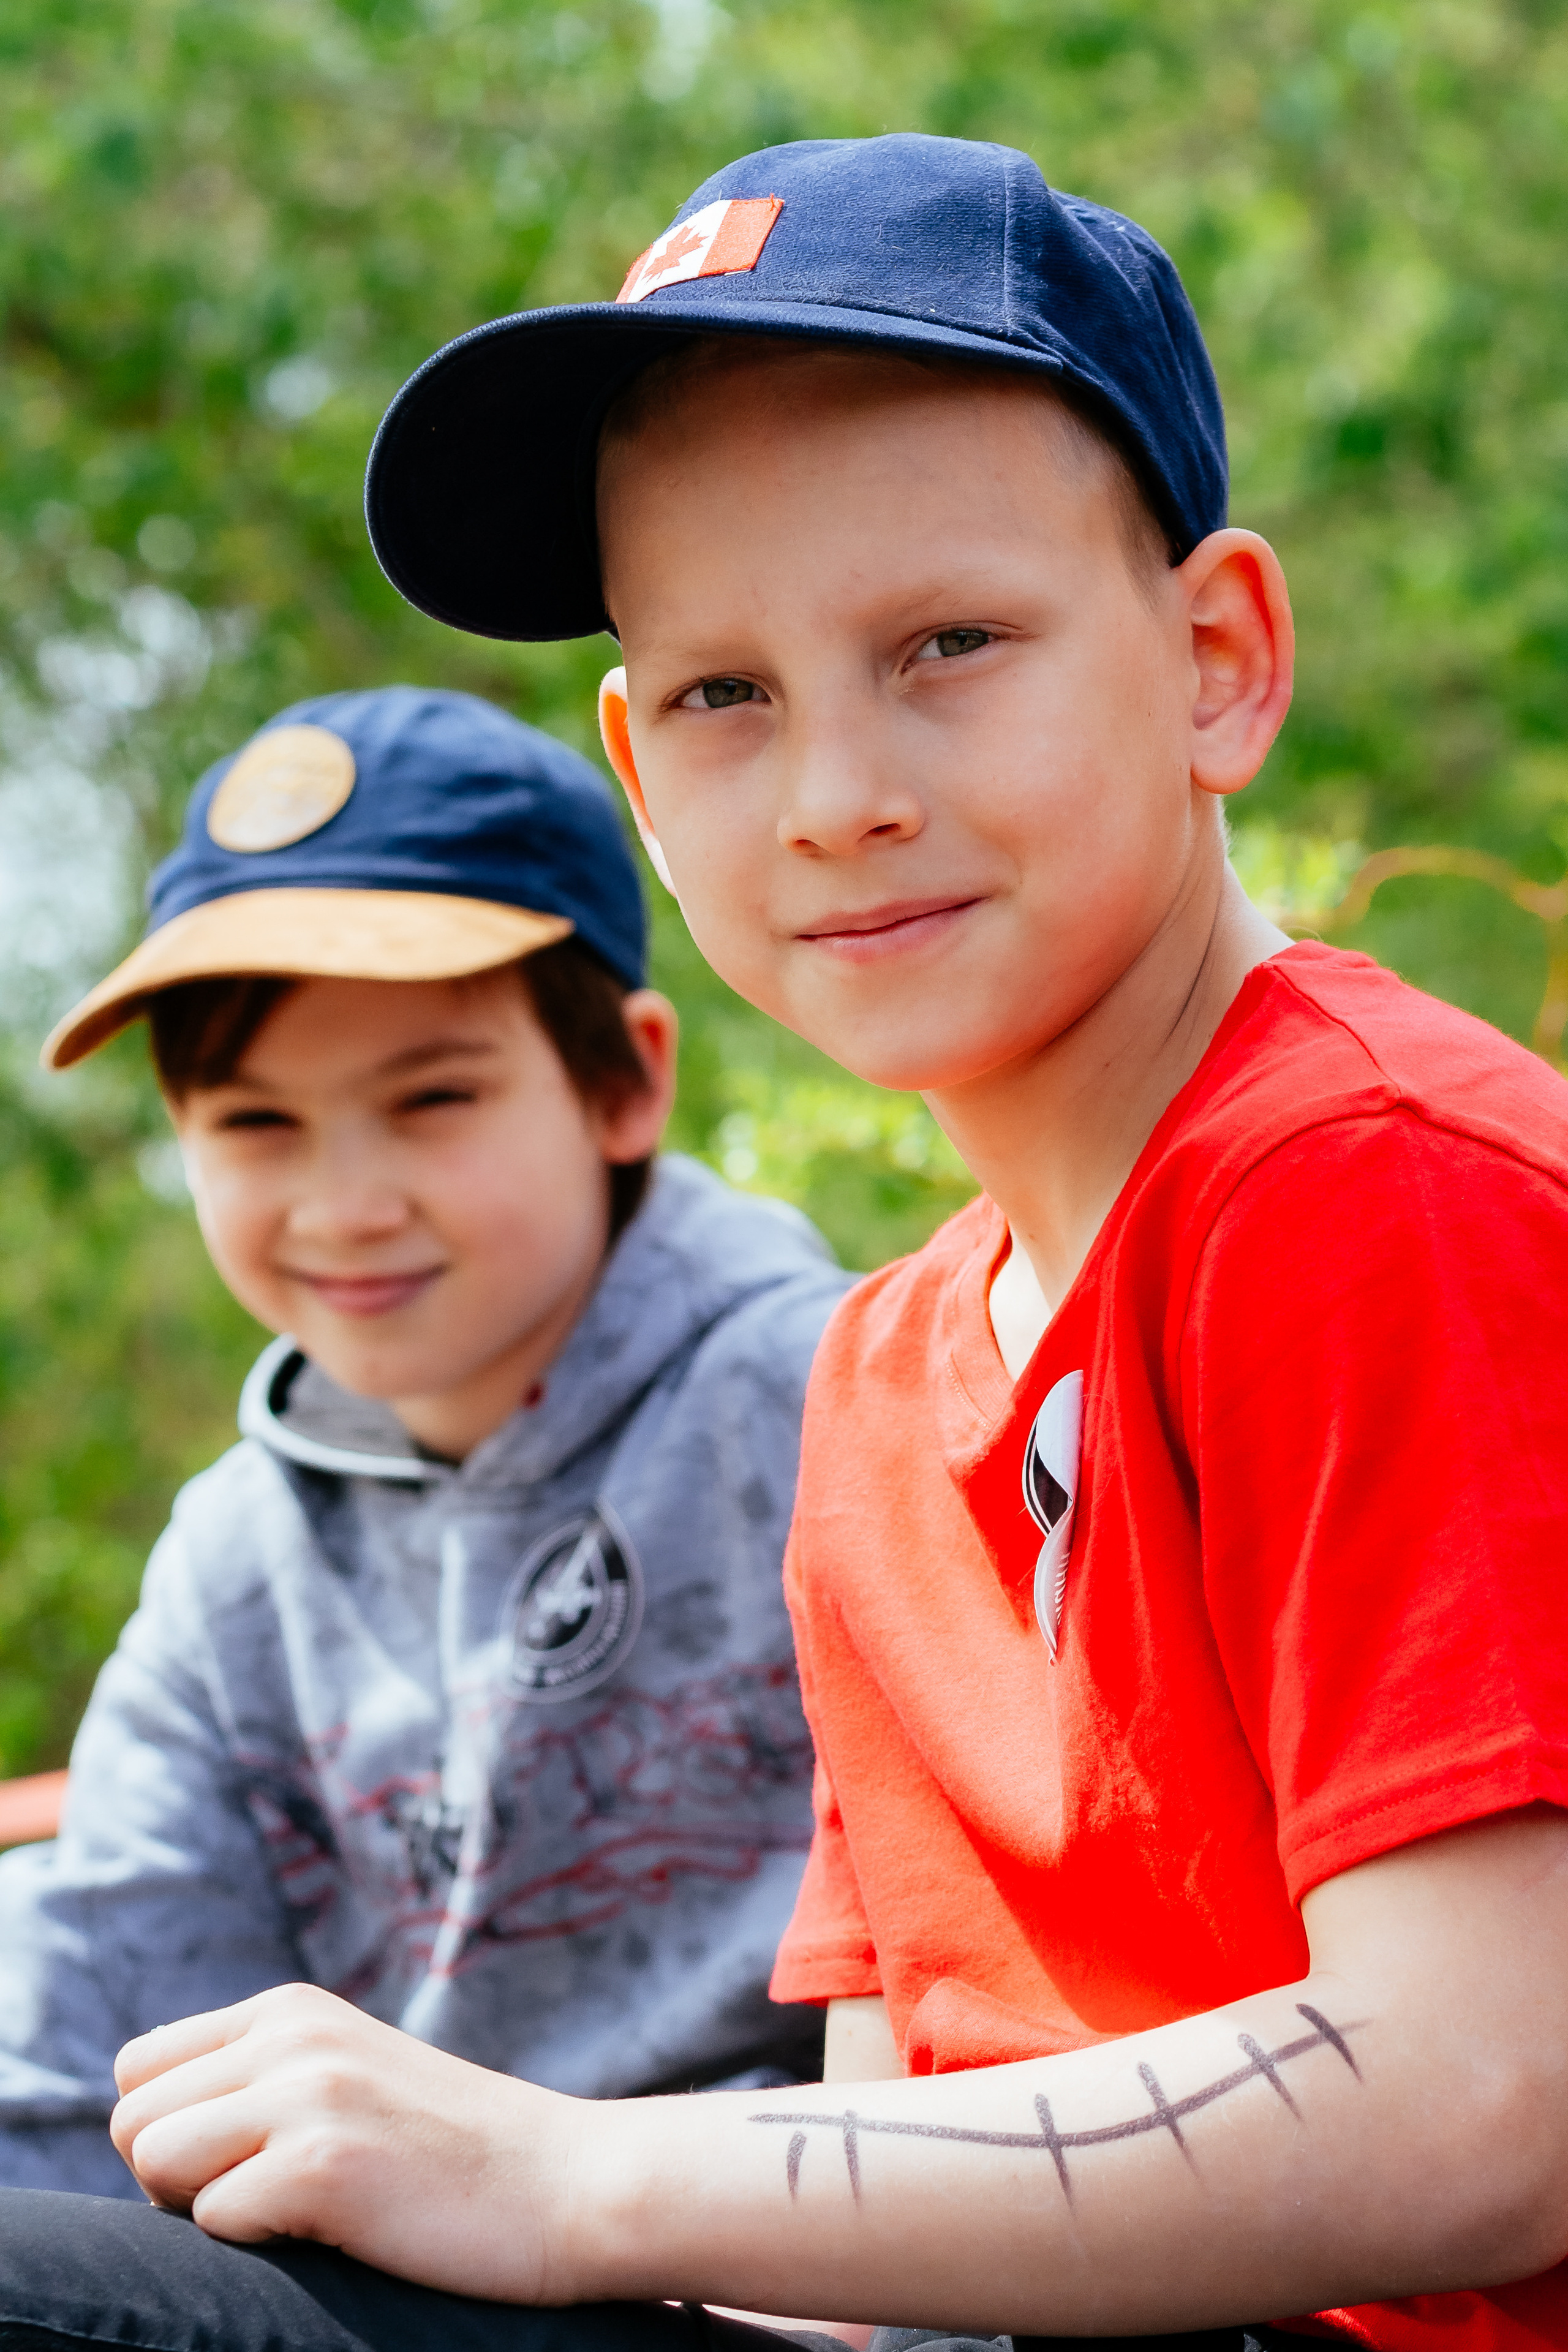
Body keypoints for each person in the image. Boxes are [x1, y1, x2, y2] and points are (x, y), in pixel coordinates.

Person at [4, 129, 1568, 2352]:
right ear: (640, 775)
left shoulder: (1367, 1188)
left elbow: (1488, 2097)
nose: (835, 788)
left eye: (947, 641)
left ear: (1217, 658)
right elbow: (887, 2165)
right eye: (729, 695)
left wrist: (574, 2172)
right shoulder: (894, 1366)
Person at [0, 682, 851, 2199]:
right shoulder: (240, 1559)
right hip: (401, 2279)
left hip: (790, 2247)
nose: (345, 1206)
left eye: (432, 1098)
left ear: (626, 1080)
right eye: (256, 1126)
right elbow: (94, 2030)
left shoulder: (828, 1408)